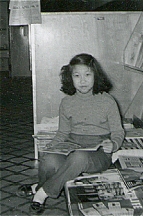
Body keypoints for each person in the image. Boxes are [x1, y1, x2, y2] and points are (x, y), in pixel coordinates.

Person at [16, 53, 125, 214]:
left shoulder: (108, 101)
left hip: (99, 153)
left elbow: (118, 131)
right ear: (70, 78)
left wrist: (113, 144)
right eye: (77, 76)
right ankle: (41, 186)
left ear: (96, 76)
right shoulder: (66, 102)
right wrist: (51, 146)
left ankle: (41, 193)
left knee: (79, 157)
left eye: (88, 75)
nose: (82, 81)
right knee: (48, 158)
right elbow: (63, 132)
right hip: (72, 146)